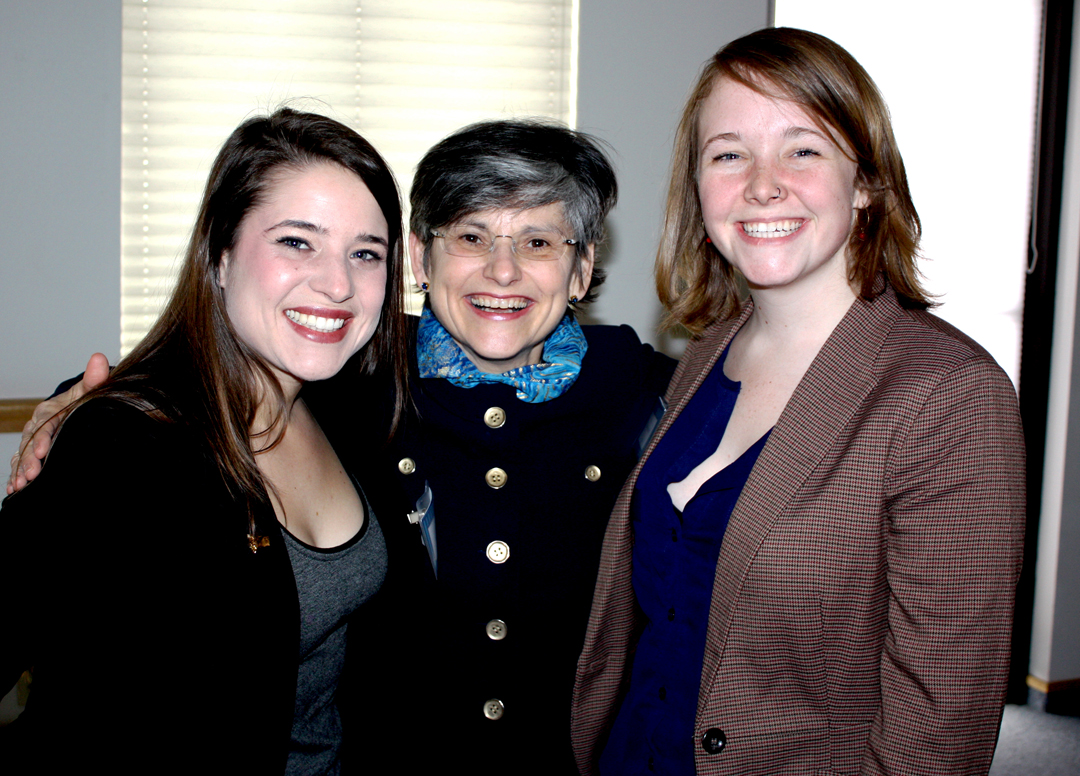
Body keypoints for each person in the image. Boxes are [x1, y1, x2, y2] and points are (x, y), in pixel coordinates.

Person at [8, 120, 676, 772]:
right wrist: (87, 406)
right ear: (421, 258)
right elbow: (193, 389)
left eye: (538, 242)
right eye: (471, 235)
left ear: (583, 267)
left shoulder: (649, 395)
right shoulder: (360, 380)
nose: (502, 271)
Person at [571, 27, 1026, 776]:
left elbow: (941, 728)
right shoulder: (710, 350)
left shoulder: (949, 396)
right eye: (728, 154)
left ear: (867, 182)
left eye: (802, 148)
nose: (760, 184)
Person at [0, 108, 407, 774]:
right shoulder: (125, 445)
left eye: (366, 253)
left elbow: (486, 317)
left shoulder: (350, 400)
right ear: (219, 254)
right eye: (297, 242)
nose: (338, 284)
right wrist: (85, 407)